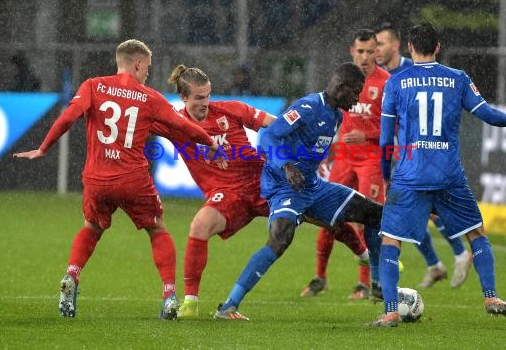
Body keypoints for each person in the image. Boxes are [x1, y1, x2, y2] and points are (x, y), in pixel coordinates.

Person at [13, 39, 221, 320]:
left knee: (92, 227)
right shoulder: (149, 97)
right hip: (133, 178)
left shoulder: (93, 86)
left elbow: (69, 117)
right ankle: (170, 295)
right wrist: (210, 142)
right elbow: (183, 126)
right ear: (137, 63)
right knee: (157, 229)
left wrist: (43, 148)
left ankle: (72, 276)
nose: (147, 72)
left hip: (97, 179)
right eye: (147, 67)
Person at [152, 64, 370, 319]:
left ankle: (363, 255)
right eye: (199, 98)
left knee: (323, 215)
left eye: (208, 95)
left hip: (264, 183)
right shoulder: (176, 124)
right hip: (228, 197)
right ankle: (190, 303)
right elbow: (143, 125)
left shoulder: (229, 110)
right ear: (184, 97)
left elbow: (277, 127)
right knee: (200, 225)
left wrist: (299, 158)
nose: (206, 102)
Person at [368, 22, 506, 327]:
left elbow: (385, 139)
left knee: (391, 242)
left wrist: (385, 175)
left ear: (409, 48)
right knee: (477, 234)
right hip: (449, 176)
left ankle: (391, 310)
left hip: (409, 175)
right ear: (438, 47)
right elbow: (485, 112)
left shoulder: (395, 83)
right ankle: (491, 295)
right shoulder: (457, 79)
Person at [214, 62, 386, 321]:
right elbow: (270, 137)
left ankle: (377, 284)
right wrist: (286, 166)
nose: (358, 98)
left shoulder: (336, 115)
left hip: (313, 187)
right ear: (342, 87)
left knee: (374, 213)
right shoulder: (307, 107)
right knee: (280, 239)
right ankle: (228, 306)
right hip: (284, 186)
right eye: (356, 92)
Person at [376, 22, 472, 289]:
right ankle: (437, 263)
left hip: (419, 153)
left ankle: (456, 253)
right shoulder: (381, 75)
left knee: (418, 210)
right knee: (414, 213)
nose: (376, 49)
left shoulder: (413, 71)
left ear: (397, 45)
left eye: (380, 44)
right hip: (398, 150)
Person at [301, 29, 389, 301]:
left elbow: (394, 127)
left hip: (371, 160)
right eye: (359, 51)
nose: (364, 57)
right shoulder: (345, 80)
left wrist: (368, 135)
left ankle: (366, 283)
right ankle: (320, 278)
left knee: (366, 219)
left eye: (369, 51)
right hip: (344, 158)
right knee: (327, 216)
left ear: (377, 52)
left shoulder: (386, 83)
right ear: (352, 51)